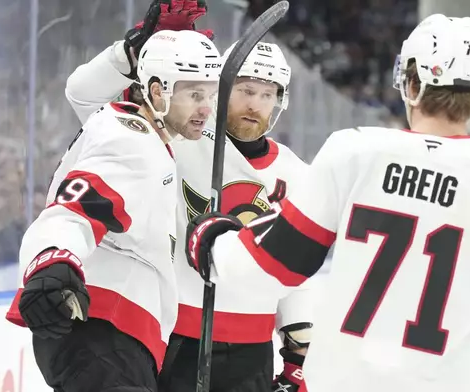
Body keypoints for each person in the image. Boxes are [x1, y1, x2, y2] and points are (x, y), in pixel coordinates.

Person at [185, 14, 470, 392]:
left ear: (410, 82)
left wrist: (214, 242)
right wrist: (455, 365)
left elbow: (273, 264)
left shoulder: (355, 152)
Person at [64, 1, 315, 391]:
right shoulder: (177, 136)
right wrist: (130, 54)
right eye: (246, 90)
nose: (255, 104)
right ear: (220, 89)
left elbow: (294, 265)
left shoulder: (297, 173)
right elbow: (83, 96)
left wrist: (298, 353)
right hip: (176, 336)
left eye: (267, 95)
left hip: (253, 351)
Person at [4, 29, 221, 391]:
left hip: (110, 336)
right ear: (156, 92)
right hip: (104, 331)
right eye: (194, 94)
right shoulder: (134, 140)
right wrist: (53, 258)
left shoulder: (136, 132)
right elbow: (78, 206)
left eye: (211, 95)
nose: (206, 108)